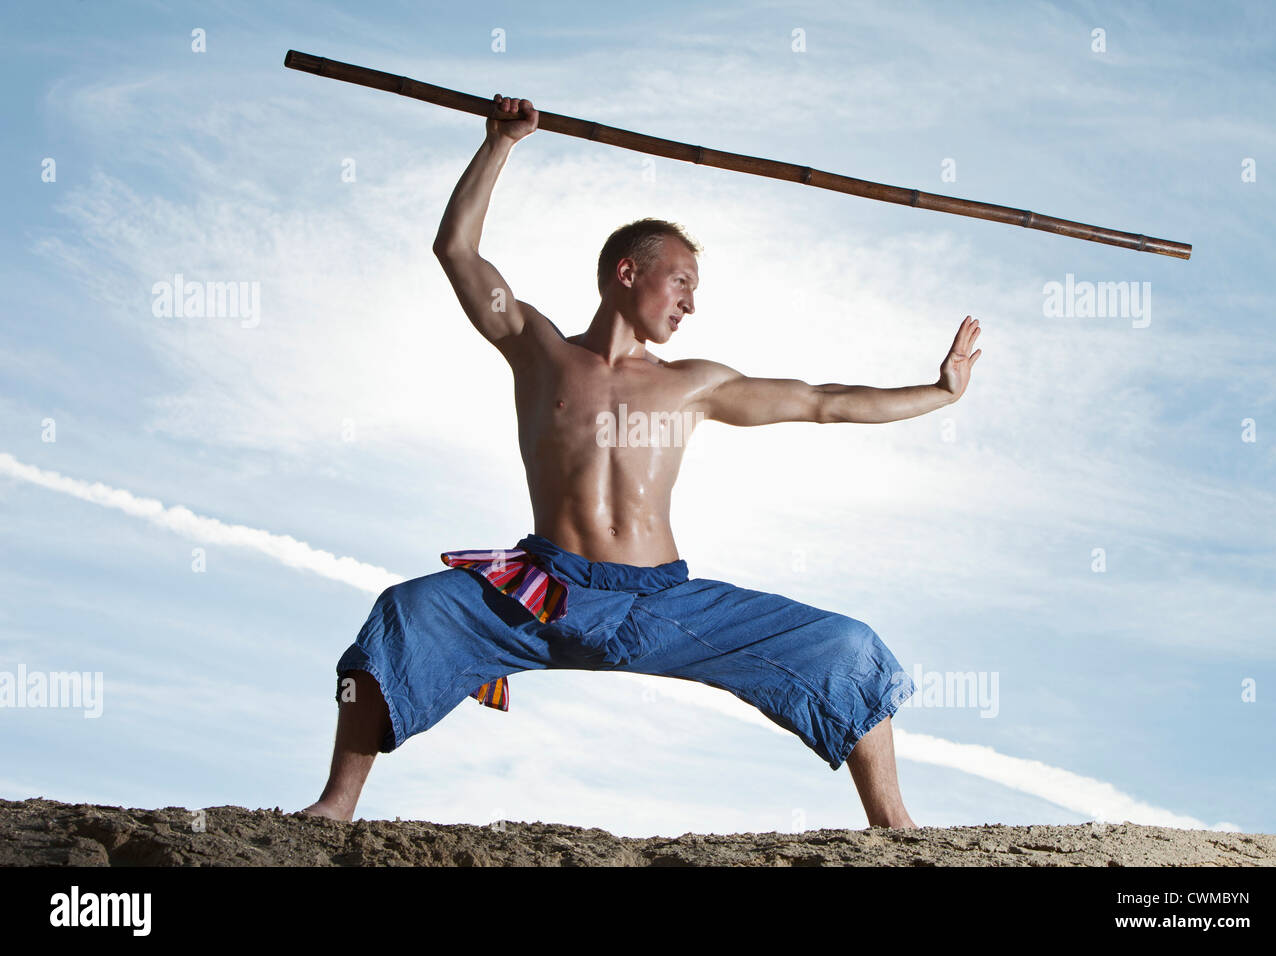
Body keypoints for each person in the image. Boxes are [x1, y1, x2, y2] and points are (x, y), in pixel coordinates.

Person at [300, 94, 982, 827]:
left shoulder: (693, 385)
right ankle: (336, 806)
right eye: (681, 280)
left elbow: (821, 400)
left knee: (846, 644)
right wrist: (500, 143)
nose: (690, 302)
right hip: (542, 592)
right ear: (628, 272)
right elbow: (458, 252)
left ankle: (895, 827)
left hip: (662, 604)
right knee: (404, 615)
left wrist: (937, 393)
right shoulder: (540, 350)